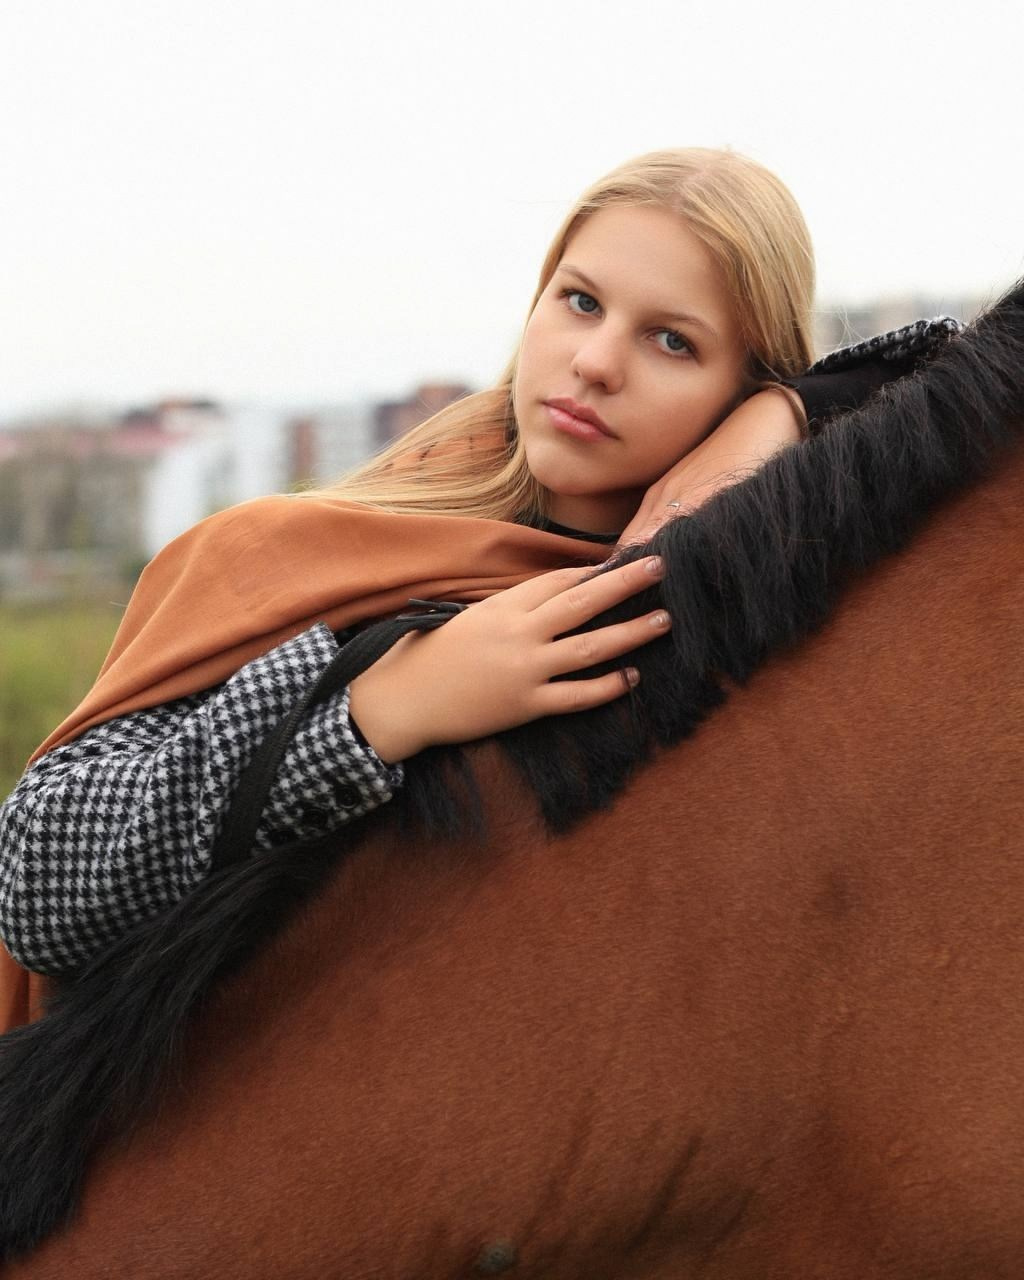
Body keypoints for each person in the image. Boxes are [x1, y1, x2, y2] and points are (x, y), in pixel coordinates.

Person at [0, 147, 945, 986]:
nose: (596, 361)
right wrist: (389, 708)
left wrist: (779, 414)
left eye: (673, 340)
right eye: (580, 301)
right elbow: (37, 881)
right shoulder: (297, 550)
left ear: (738, 385)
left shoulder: (713, 592)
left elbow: (956, 383)